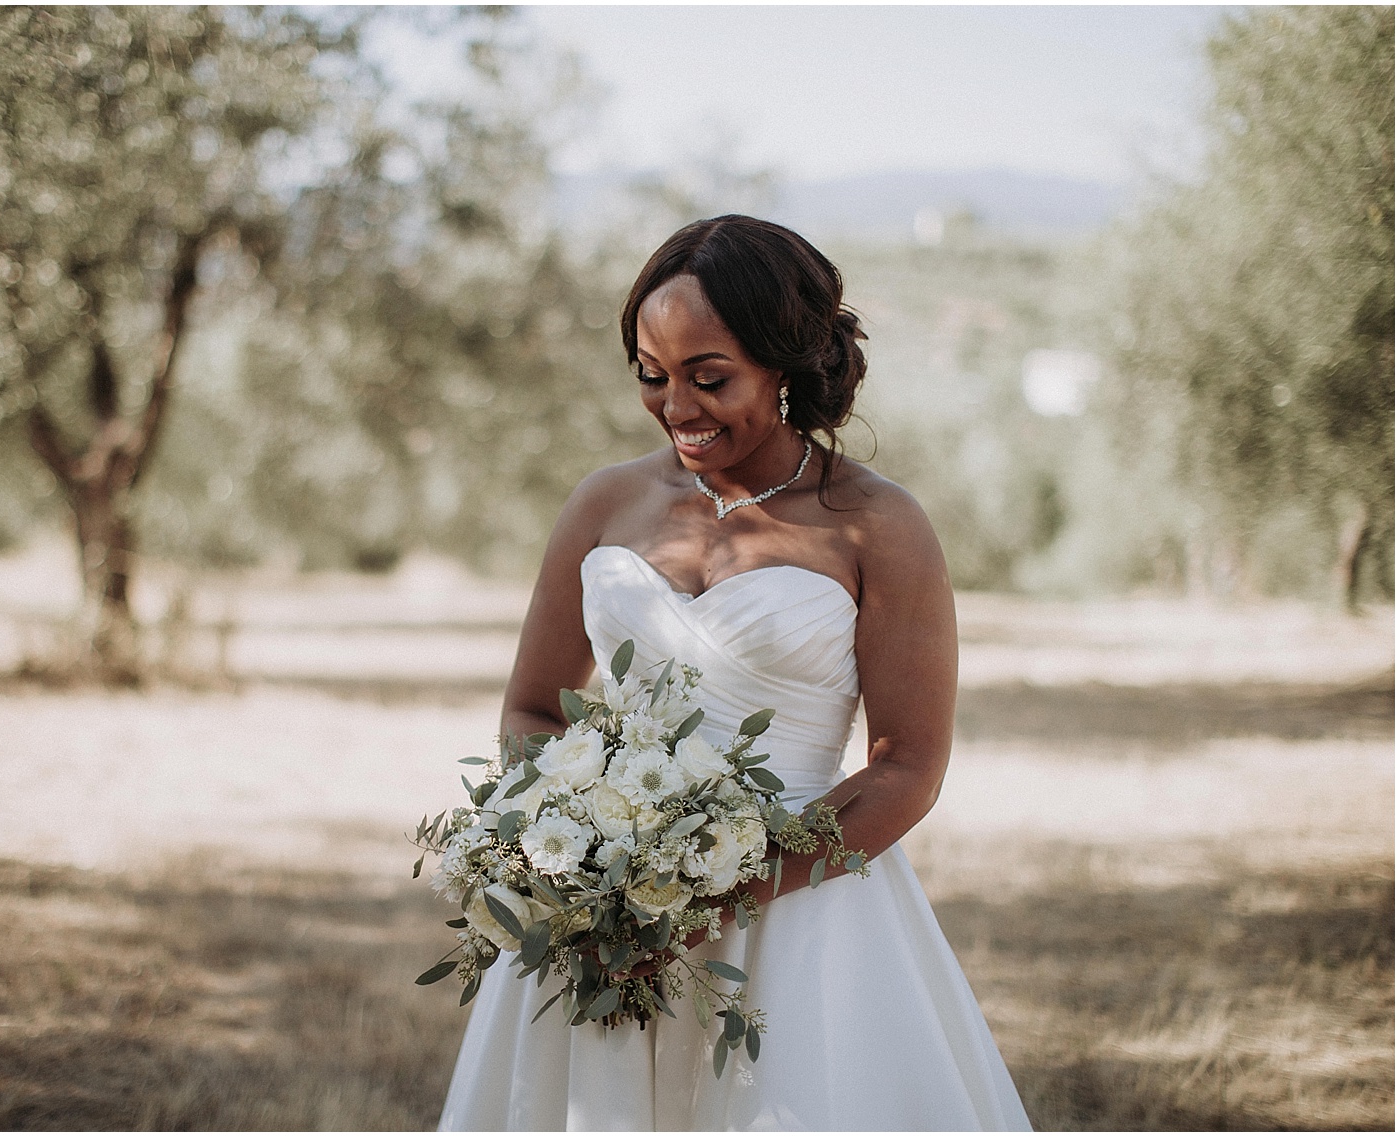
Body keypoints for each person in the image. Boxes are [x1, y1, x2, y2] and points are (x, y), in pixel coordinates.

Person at [437, 215, 1031, 1131]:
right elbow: (531, 706)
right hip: (601, 931)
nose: (677, 406)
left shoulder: (877, 524)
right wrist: (578, 865)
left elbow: (907, 766)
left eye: (710, 378)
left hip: (805, 914)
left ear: (784, 364)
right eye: (651, 374)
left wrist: (703, 901)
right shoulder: (606, 502)